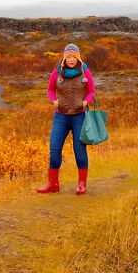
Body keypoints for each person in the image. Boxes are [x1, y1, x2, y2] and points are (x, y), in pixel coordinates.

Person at [36, 43, 95, 195]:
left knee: (79, 149)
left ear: (78, 58)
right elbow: (50, 89)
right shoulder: (57, 72)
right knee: (54, 148)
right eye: (68, 56)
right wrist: (54, 100)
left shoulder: (85, 71)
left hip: (79, 116)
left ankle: (82, 184)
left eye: (73, 57)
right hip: (61, 116)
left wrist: (86, 101)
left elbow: (92, 91)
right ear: (64, 58)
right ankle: (53, 183)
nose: (71, 59)